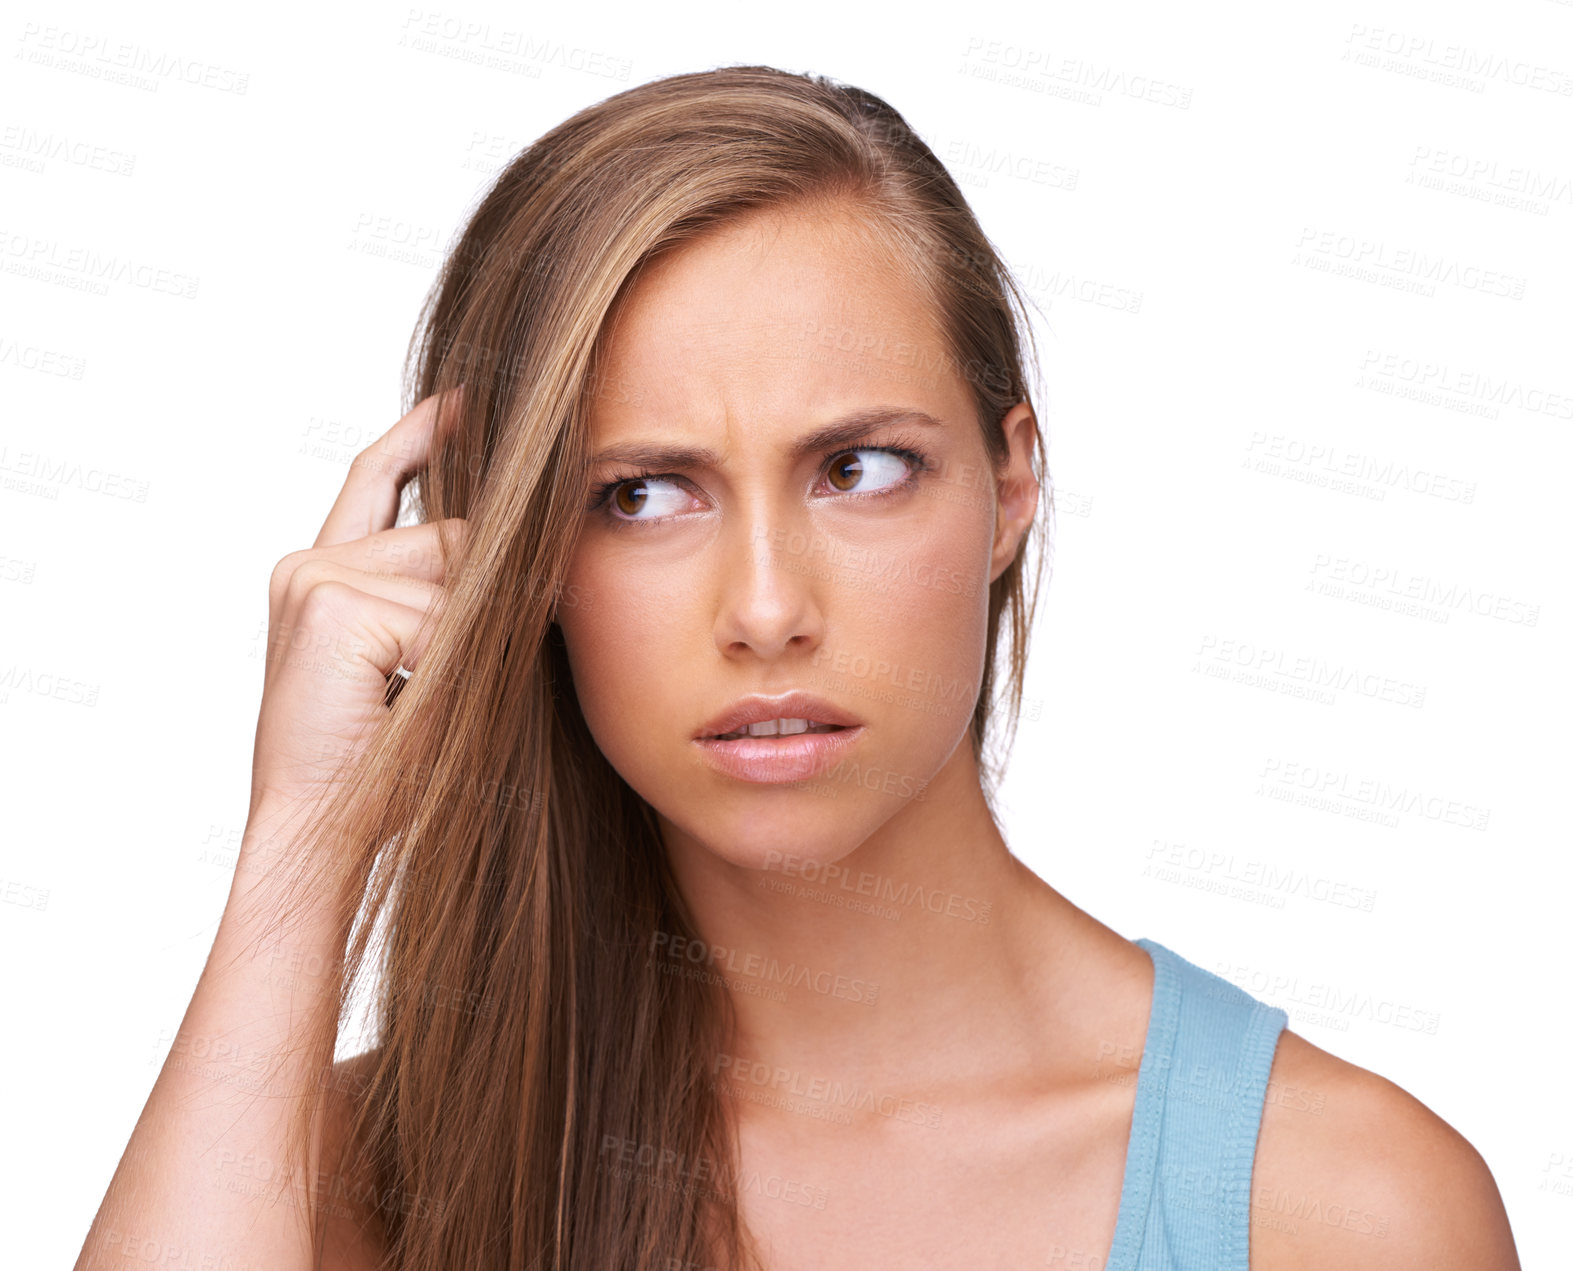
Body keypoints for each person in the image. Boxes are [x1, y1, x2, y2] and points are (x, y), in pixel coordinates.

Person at [75, 65, 1520, 1271]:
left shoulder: (1331, 1207)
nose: (765, 609)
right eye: (639, 493)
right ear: (507, 550)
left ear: (1011, 487)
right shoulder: (332, 1187)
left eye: (860, 468)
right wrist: (303, 841)